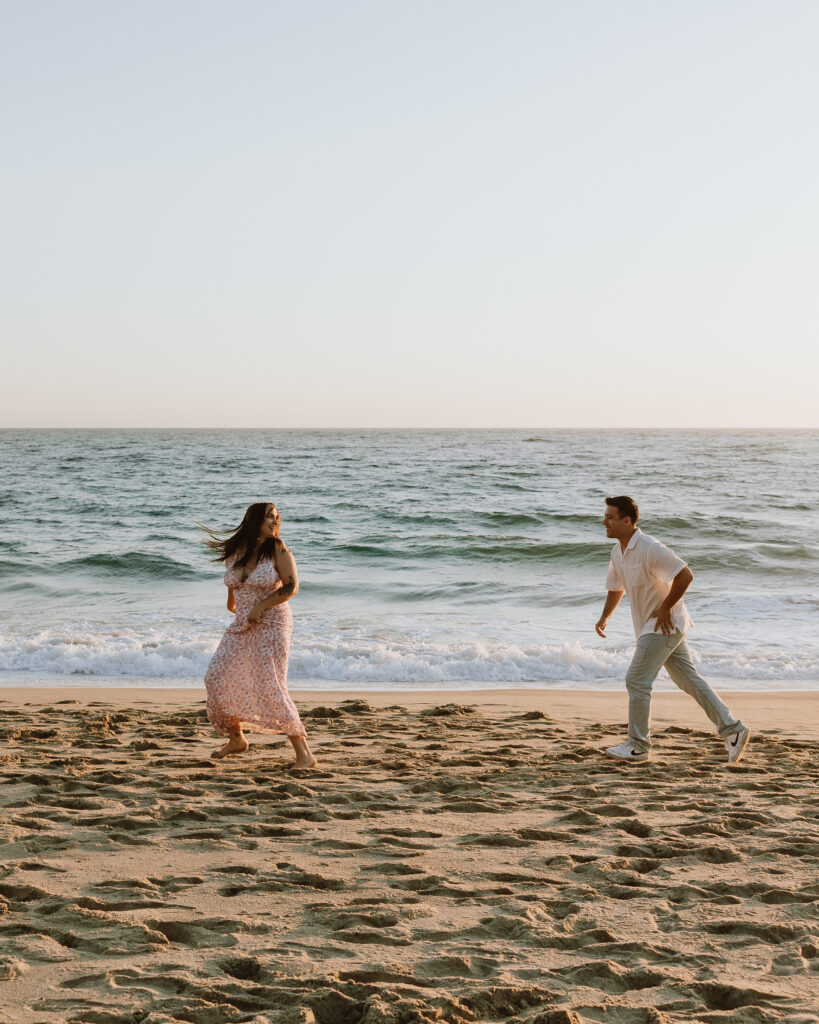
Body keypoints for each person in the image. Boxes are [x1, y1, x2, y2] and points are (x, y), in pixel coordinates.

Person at [595, 496, 749, 764]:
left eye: (610, 516)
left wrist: (666, 607)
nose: (604, 521)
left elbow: (685, 574)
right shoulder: (618, 551)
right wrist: (605, 617)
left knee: (636, 679)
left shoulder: (648, 546)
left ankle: (638, 745)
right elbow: (616, 587)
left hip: (663, 624)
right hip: (655, 626)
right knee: (688, 680)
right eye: (605, 516)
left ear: (627, 521)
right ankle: (733, 730)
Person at [201, 502, 316, 769]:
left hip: (273, 623)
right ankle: (236, 738)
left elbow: (292, 587)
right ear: (254, 520)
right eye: (268, 517)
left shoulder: (277, 549)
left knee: (271, 685)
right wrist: (244, 610)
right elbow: (232, 599)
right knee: (216, 676)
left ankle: (304, 755)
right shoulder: (236, 552)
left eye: (276, 517)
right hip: (243, 624)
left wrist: (260, 606)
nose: (274, 521)